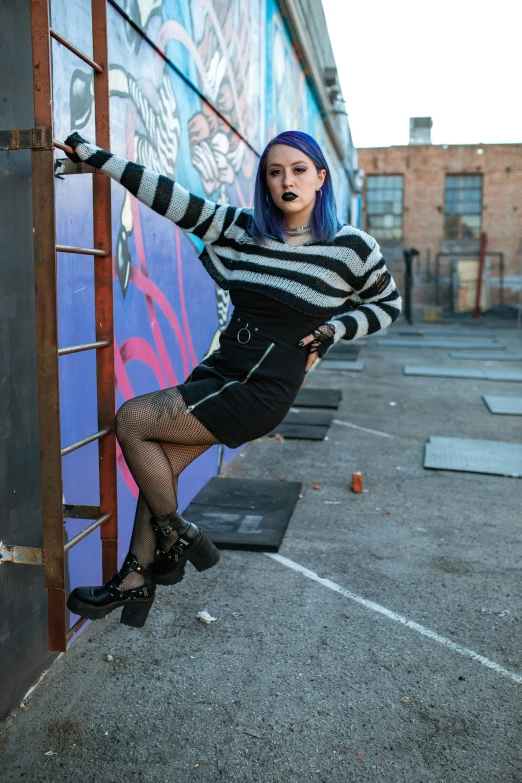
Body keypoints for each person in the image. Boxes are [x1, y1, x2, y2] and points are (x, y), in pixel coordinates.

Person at [65, 129, 401, 628]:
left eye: (298, 169)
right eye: (275, 171)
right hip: (223, 370)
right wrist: (97, 158)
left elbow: (388, 305)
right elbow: (170, 197)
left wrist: (336, 327)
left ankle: (176, 534)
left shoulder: (350, 247)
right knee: (160, 467)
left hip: (261, 386)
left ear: (320, 178)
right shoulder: (245, 230)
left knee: (133, 420)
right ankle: (135, 581)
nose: (286, 180)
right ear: (265, 182)